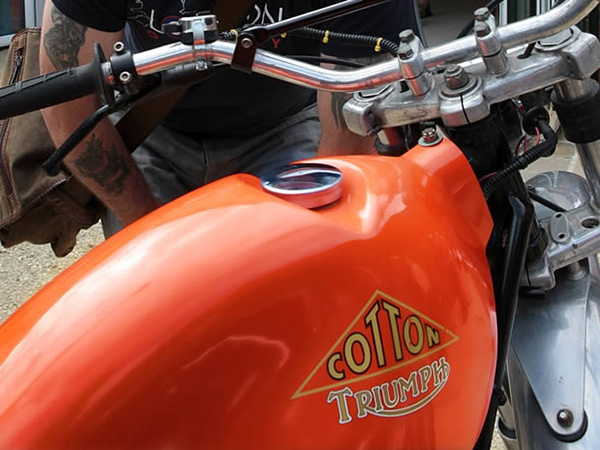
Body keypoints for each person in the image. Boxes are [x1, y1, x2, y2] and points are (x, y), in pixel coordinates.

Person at [40, 0, 419, 236]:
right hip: (153, 131)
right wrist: (147, 227)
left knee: (309, 273)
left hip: (286, 125)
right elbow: (68, 105)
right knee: (147, 298)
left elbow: (352, 119)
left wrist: (310, 234)